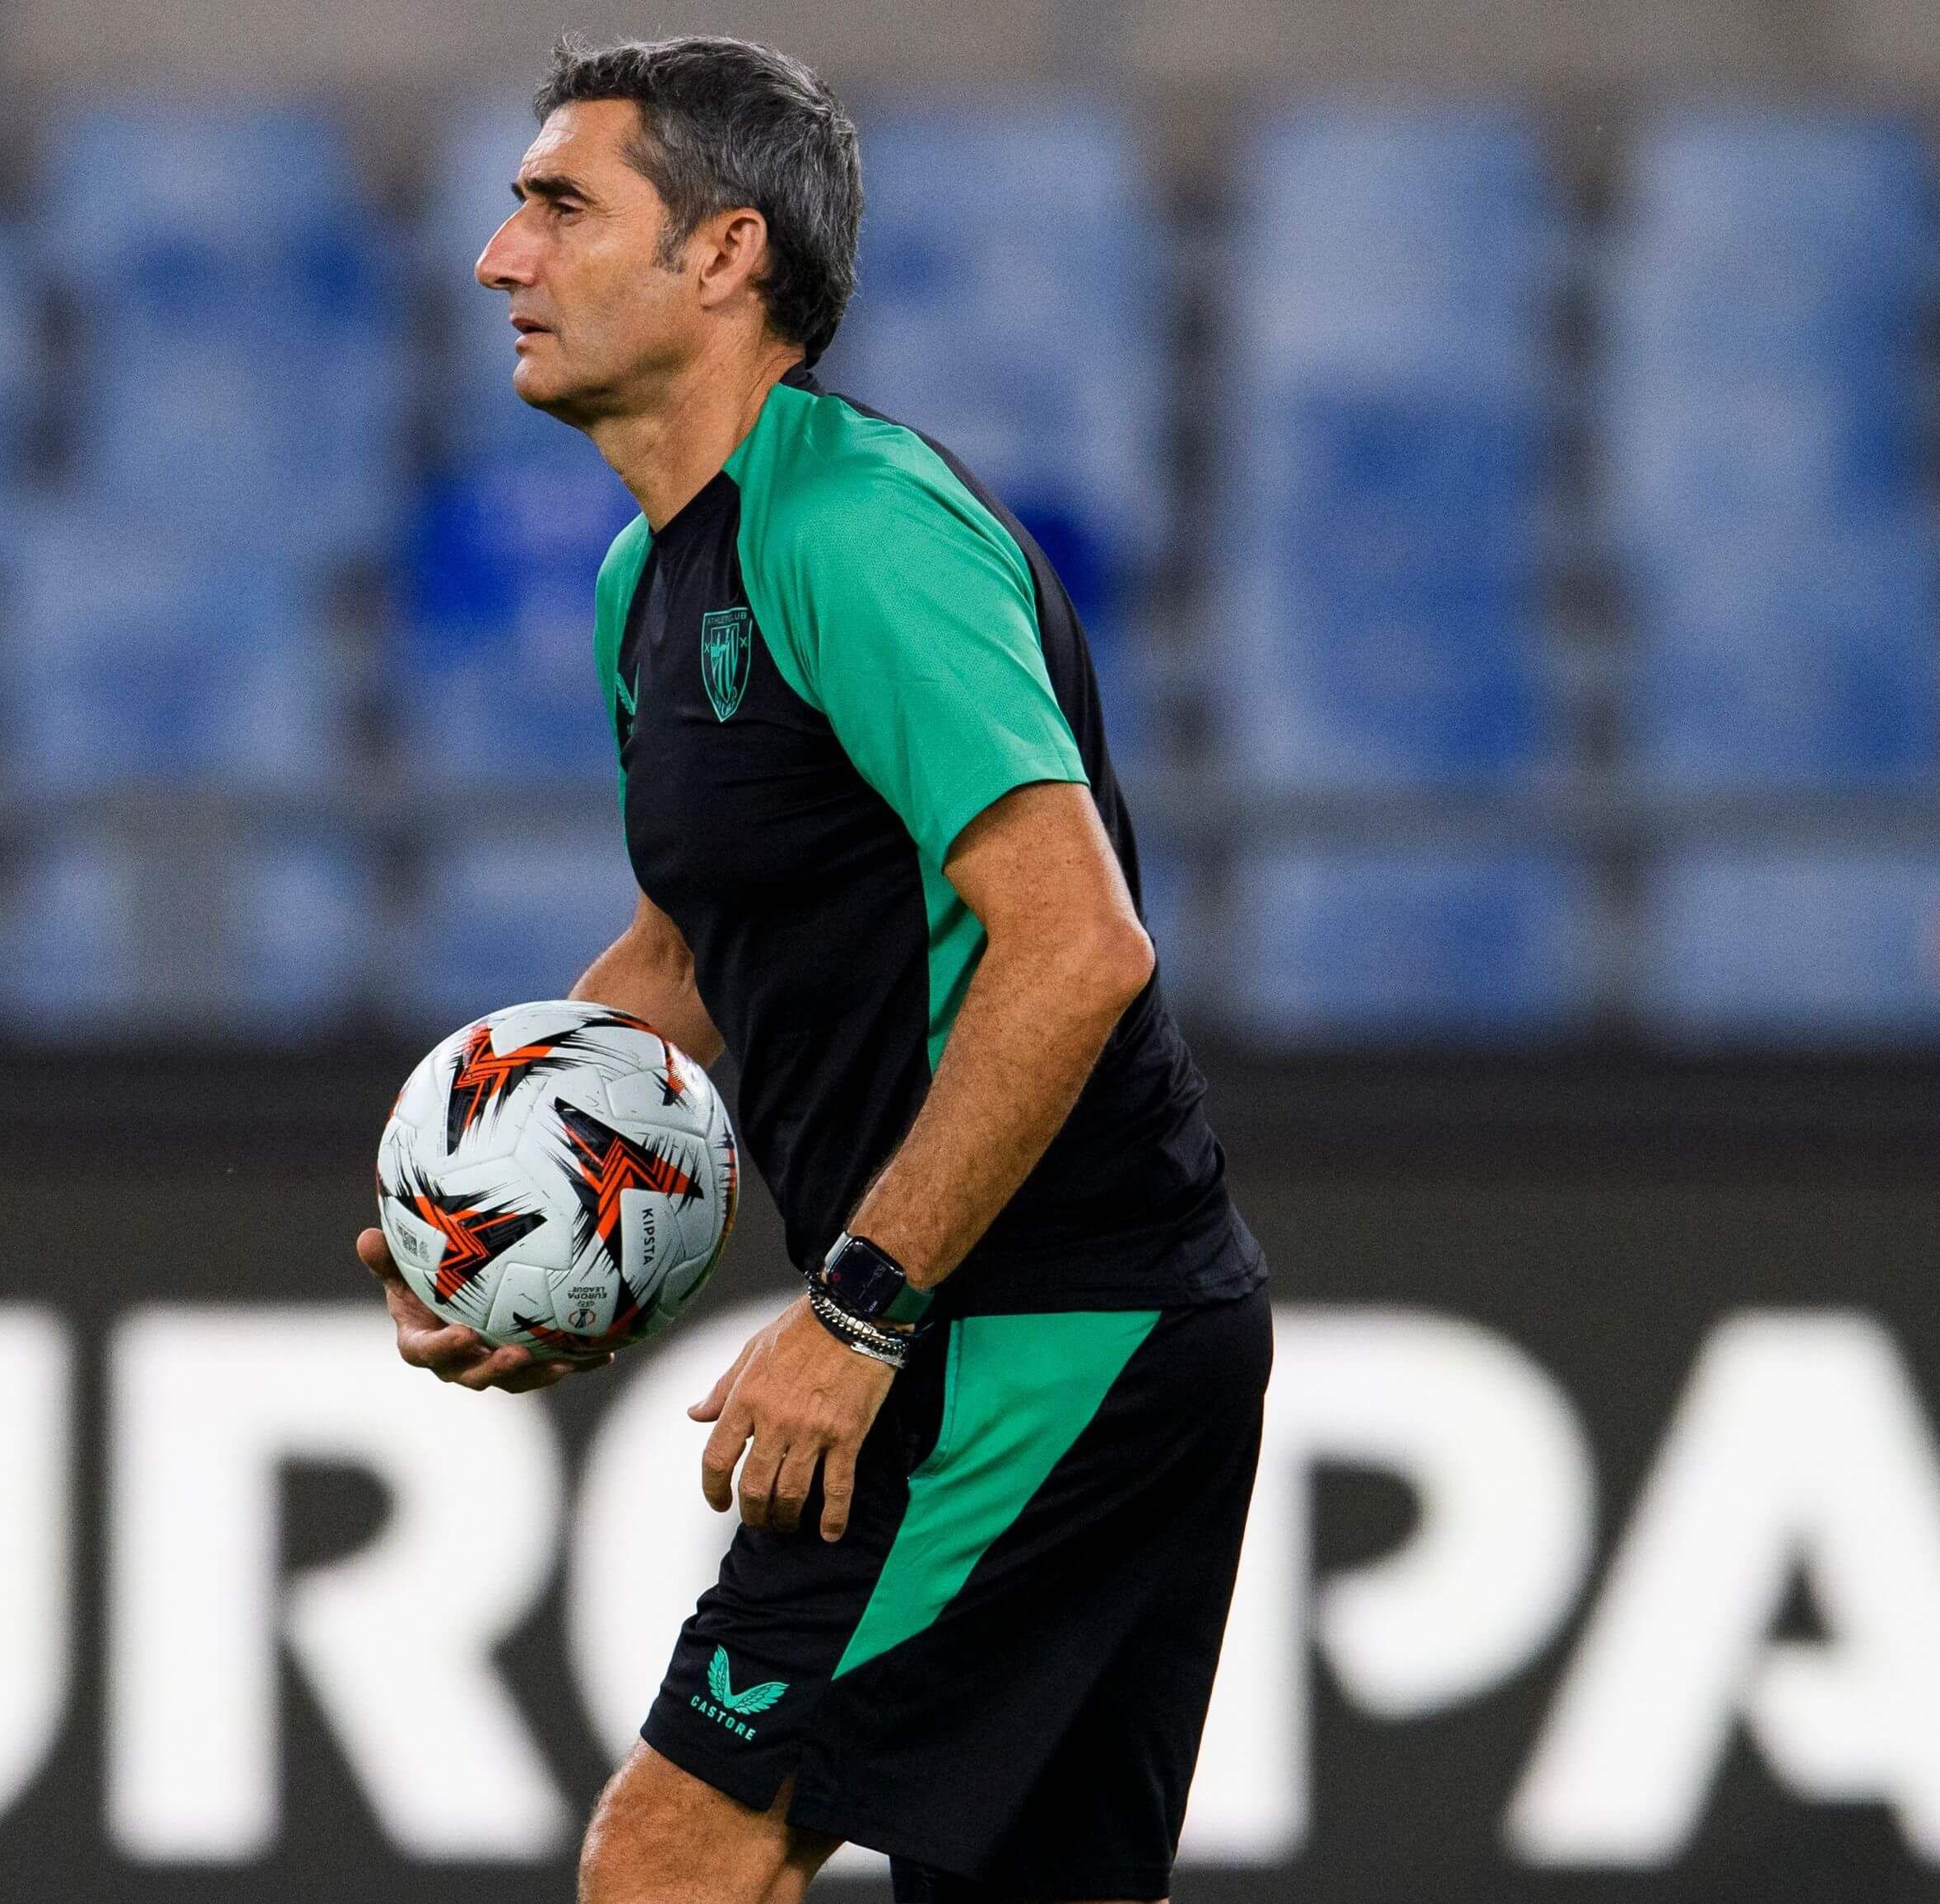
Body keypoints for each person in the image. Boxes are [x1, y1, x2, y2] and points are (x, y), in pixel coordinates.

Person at [358, 34, 1271, 1904]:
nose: (500, 257)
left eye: (558, 206)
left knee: (675, 1855)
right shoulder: (646, 582)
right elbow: (687, 946)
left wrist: (857, 1312)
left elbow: (1077, 942)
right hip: (1026, 1327)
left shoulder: (859, 529)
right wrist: (486, 1198)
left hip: (1035, 1334)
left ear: (723, 254)